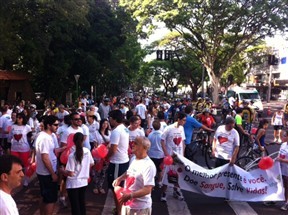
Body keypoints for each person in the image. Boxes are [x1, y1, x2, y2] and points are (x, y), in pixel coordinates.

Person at [113, 136, 156, 215]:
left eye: (136, 143)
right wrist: (120, 178)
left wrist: (130, 195)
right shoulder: (133, 158)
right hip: (128, 205)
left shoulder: (149, 165)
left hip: (140, 208)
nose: (132, 144)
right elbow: (129, 172)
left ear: (144, 147)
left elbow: (148, 189)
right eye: (133, 142)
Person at [60, 132, 94, 215]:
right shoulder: (87, 151)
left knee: (75, 205)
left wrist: (62, 170)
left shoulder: (72, 155)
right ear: (83, 140)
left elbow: (70, 173)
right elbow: (92, 163)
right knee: (81, 203)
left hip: (73, 183)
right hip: (84, 182)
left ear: (73, 141)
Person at [35, 115, 62, 215]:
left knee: (45, 197)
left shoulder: (50, 136)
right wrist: (53, 174)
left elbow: (53, 151)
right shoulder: (44, 138)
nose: (57, 127)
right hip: (46, 174)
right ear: (48, 125)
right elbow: (45, 158)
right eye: (55, 125)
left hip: (47, 172)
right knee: (50, 199)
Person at [106, 110, 130, 215]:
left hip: (117, 162)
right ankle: (119, 209)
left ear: (114, 119)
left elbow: (113, 149)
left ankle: (119, 211)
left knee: (116, 189)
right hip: (123, 161)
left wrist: (106, 157)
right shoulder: (124, 128)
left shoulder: (116, 131)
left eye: (110, 118)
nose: (109, 120)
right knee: (120, 188)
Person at [160, 112, 186, 202]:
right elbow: (162, 141)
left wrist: (183, 154)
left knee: (178, 175)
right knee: (167, 174)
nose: (184, 122)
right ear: (178, 119)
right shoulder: (168, 128)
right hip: (170, 157)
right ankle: (163, 192)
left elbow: (182, 141)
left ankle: (176, 191)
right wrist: (166, 153)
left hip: (179, 156)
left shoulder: (182, 128)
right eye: (183, 120)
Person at [10, 112, 32, 186]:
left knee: (25, 165)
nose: (18, 119)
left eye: (20, 118)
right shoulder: (13, 126)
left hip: (24, 149)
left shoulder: (27, 127)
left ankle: (26, 179)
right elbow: (10, 136)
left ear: (23, 119)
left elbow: (30, 138)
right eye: (17, 117)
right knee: (14, 164)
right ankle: (15, 180)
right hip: (14, 149)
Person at [93, 119, 111, 194]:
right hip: (98, 154)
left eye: (106, 124)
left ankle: (100, 186)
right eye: (104, 123)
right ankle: (95, 186)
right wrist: (99, 152)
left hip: (106, 154)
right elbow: (95, 143)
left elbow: (111, 143)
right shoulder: (96, 133)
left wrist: (106, 149)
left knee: (103, 172)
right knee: (97, 171)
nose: (105, 125)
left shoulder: (109, 133)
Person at [148, 120, 164, 186]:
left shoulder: (150, 135)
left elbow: (148, 144)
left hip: (151, 154)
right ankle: (160, 181)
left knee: (152, 169)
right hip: (160, 154)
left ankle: (152, 182)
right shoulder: (162, 134)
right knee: (160, 169)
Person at [276, 130, 288, 210]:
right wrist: (277, 159)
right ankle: (275, 198)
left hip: (287, 170)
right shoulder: (283, 144)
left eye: (285, 135)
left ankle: (287, 202)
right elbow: (279, 154)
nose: (283, 137)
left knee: (287, 186)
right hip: (281, 168)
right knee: (279, 183)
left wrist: (281, 160)